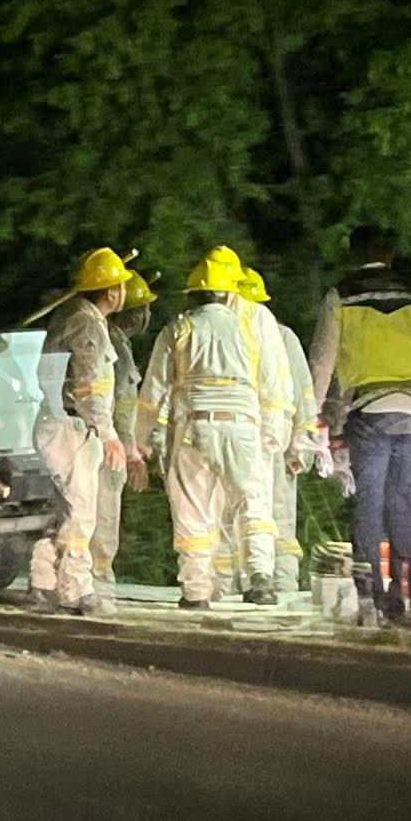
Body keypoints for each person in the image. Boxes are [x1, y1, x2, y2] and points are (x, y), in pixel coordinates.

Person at [308, 225, 411, 626]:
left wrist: (312, 411)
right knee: (402, 499)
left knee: (369, 501)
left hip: (370, 411)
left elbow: (322, 360)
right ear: (390, 255)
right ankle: (402, 598)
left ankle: (369, 596)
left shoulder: (341, 295)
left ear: (353, 256)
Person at [135, 248, 290, 610]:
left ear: (194, 295)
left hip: (195, 429)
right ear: (228, 293)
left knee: (193, 509)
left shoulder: (179, 328)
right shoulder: (253, 326)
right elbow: (275, 382)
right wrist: (274, 432)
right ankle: (261, 577)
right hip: (244, 428)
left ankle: (196, 591)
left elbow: (152, 393)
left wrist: (141, 442)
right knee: (253, 500)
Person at [26, 248, 134, 616]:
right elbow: (89, 385)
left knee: (57, 508)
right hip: (74, 427)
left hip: (52, 421)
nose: (124, 292)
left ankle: (42, 583)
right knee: (81, 510)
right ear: (111, 291)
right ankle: (76, 589)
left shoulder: (67, 316)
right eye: (121, 285)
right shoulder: (88, 325)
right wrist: (108, 434)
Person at [233, 267, 320, 604]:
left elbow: (302, 393)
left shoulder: (280, 336)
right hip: (257, 439)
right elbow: (304, 394)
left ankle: (278, 582)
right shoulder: (255, 334)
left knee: (273, 516)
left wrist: (300, 447)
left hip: (270, 443)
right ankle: (255, 582)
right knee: (258, 514)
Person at [87, 269, 158, 613]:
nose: (147, 315)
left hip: (91, 437)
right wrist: (130, 451)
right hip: (108, 443)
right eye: (144, 308)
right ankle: (99, 582)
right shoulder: (115, 343)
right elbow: (125, 403)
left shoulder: (100, 333)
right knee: (104, 512)